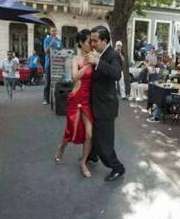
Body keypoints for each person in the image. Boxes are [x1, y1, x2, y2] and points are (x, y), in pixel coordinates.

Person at [84, 25, 126, 182]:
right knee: (94, 134)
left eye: (95, 40)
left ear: (105, 40)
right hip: (96, 104)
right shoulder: (99, 53)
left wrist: (98, 62)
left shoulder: (113, 55)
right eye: (91, 40)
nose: (92, 43)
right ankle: (93, 155)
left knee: (105, 142)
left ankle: (117, 168)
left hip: (106, 107)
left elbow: (116, 74)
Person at [54, 30, 95, 178]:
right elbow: (75, 76)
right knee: (71, 130)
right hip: (76, 98)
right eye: (89, 41)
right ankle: (61, 148)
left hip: (88, 100)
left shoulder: (94, 57)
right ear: (80, 43)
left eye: (92, 42)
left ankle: (83, 162)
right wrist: (87, 64)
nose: (91, 44)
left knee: (89, 134)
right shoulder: (76, 59)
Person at [43, 26, 62, 105]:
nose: (53, 32)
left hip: (58, 63)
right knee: (47, 82)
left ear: (56, 31)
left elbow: (62, 51)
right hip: (49, 63)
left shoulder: (59, 41)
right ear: (50, 31)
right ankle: (46, 99)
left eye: (55, 31)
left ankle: (57, 98)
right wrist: (51, 43)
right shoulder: (47, 39)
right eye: (52, 31)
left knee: (57, 82)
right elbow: (46, 51)